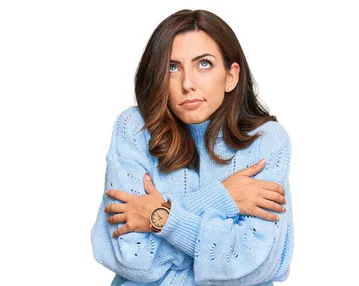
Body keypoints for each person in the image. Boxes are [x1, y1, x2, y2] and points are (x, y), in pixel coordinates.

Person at [91, 9, 294, 286]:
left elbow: (258, 266)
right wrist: (221, 198)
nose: (187, 84)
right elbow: (129, 256)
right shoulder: (135, 129)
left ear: (231, 76)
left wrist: (157, 217)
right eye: (172, 68)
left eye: (204, 64)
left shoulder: (266, 141)